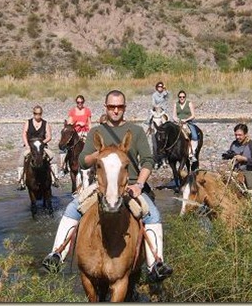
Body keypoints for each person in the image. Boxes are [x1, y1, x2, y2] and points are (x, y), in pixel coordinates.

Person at [42, 90, 173, 282]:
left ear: (124, 108)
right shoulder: (96, 131)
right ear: (106, 107)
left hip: (129, 186)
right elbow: (83, 161)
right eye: (112, 106)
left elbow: (147, 161)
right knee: (71, 209)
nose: (116, 110)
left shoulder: (135, 131)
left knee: (152, 213)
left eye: (120, 106)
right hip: (101, 186)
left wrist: (139, 184)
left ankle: (156, 264)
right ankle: (57, 254)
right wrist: (99, 154)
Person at [16, 105, 59, 189]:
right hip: (31, 146)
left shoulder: (45, 123)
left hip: (41, 147)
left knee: (53, 157)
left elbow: (49, 136)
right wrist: (27, 145)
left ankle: (54, 179)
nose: (37, 115)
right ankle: (21, 181)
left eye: (39, 114)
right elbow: (24, 134)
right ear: (33, 113)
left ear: (41, 114)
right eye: (36, 113)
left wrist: (41, 143)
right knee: (21, 160)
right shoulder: (28, 123)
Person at [59, 95, 92, 176]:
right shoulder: (72, 111)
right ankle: (63, 167)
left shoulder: (87, 111)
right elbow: (70, 123)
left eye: (81, 102)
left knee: (90, 146)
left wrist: (85, 126)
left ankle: (92, 165)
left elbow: (89, 123)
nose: (80, 104)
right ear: (76, 102)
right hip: (75, 132)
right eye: (78, 102)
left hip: (84, 131)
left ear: (83, 102)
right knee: (65, 146)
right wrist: (77, 123)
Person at [227, 123, 252, 200]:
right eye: (236, 135)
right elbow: (230, 153)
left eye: (240, 135)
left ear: (246, 134)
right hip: (235, 170)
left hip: (248, 170)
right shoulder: (234, 144)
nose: (237, 137)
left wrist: (244, 159)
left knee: (249, 182)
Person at [172, 90, 199, 162]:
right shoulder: (176, 104)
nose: (182, 98)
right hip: (179, 122)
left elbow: (193, 115)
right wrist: (178, 120)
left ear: (185, 97)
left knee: (194, 136)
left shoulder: (189, 103)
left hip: (188, 122)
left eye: (183, 97)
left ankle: (191, 153)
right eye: (180, 97)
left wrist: (186, 120)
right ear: (178, 97)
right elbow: (174, 115)